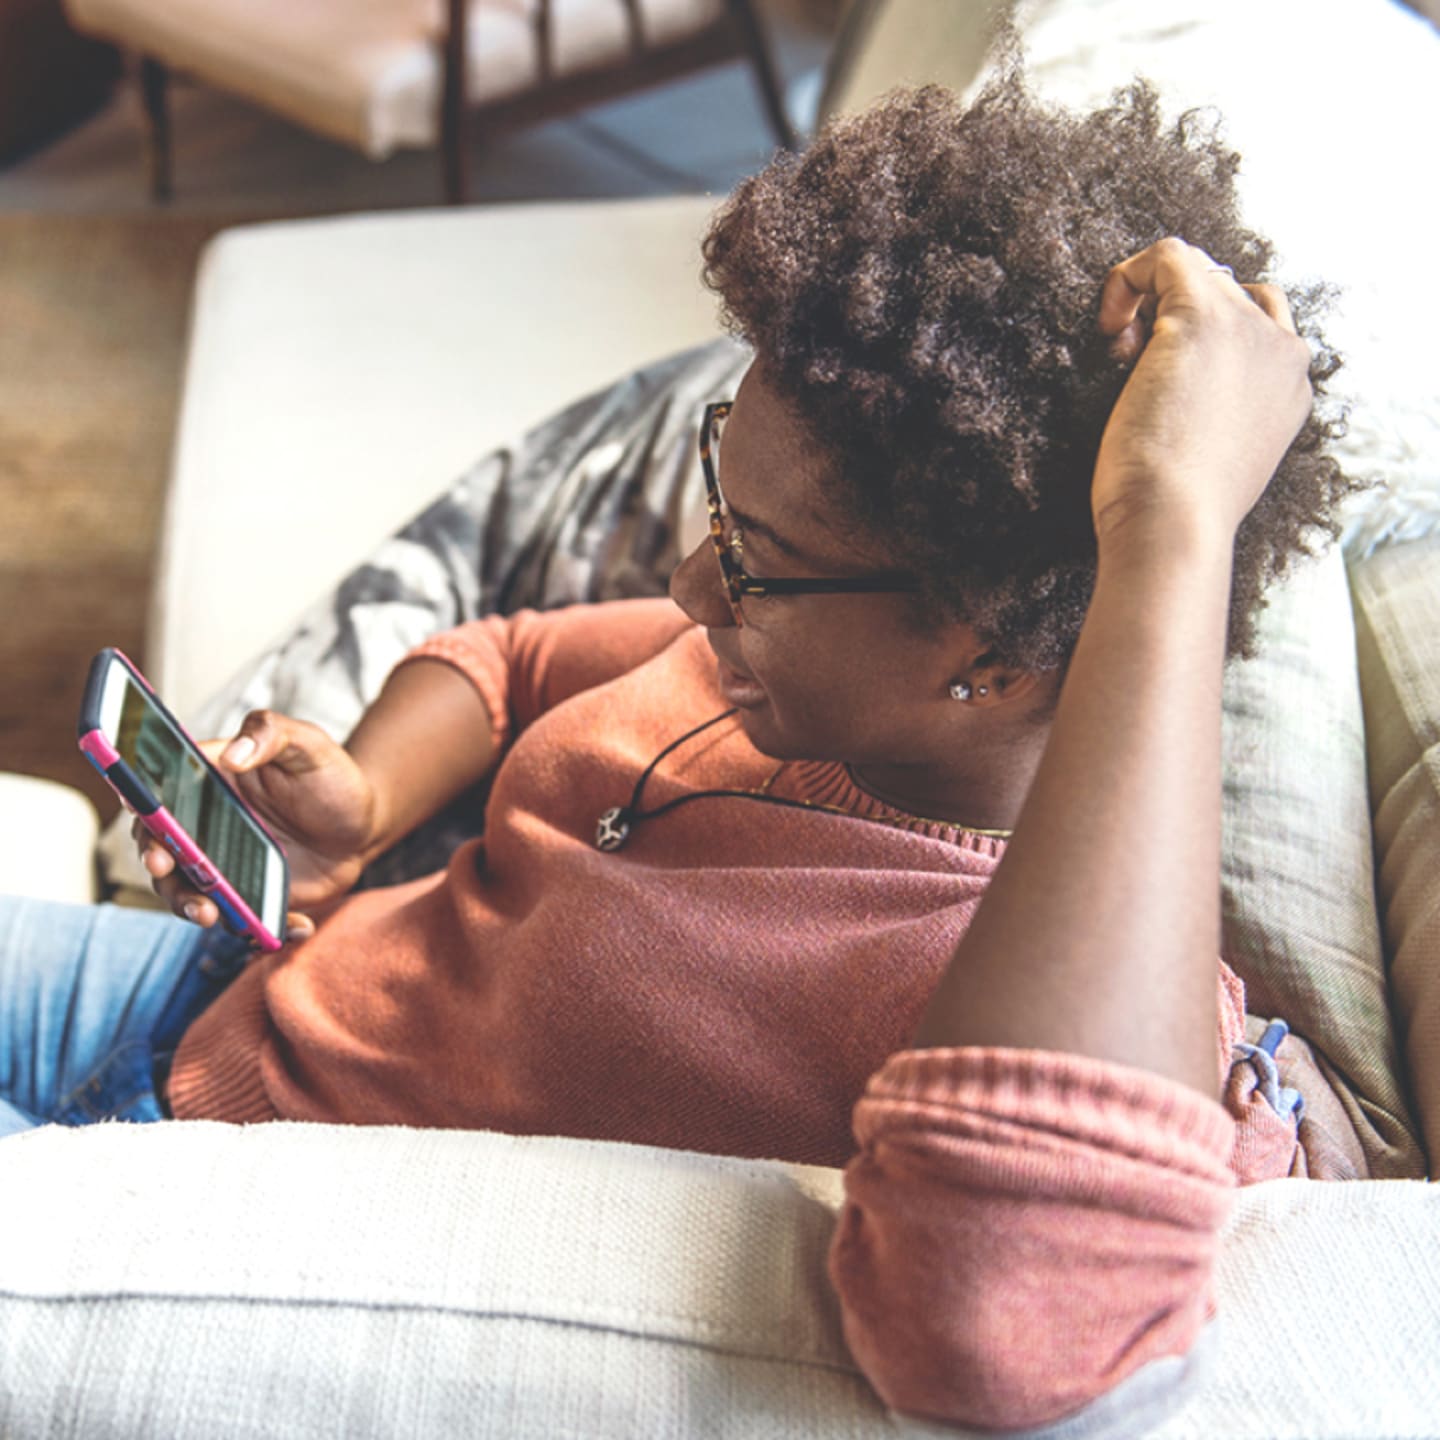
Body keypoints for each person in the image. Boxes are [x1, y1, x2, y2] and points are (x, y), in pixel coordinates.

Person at [1, 70, 1364, 1432]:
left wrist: (1172, 523)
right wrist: (362, 807)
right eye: (724, 501)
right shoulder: (770, 676)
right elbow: (513, 657)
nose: (690, 582)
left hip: (190, 1187)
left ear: (996, 656)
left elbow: (999, 1324)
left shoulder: (1035, 980)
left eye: (758, 563)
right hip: (208, 995)